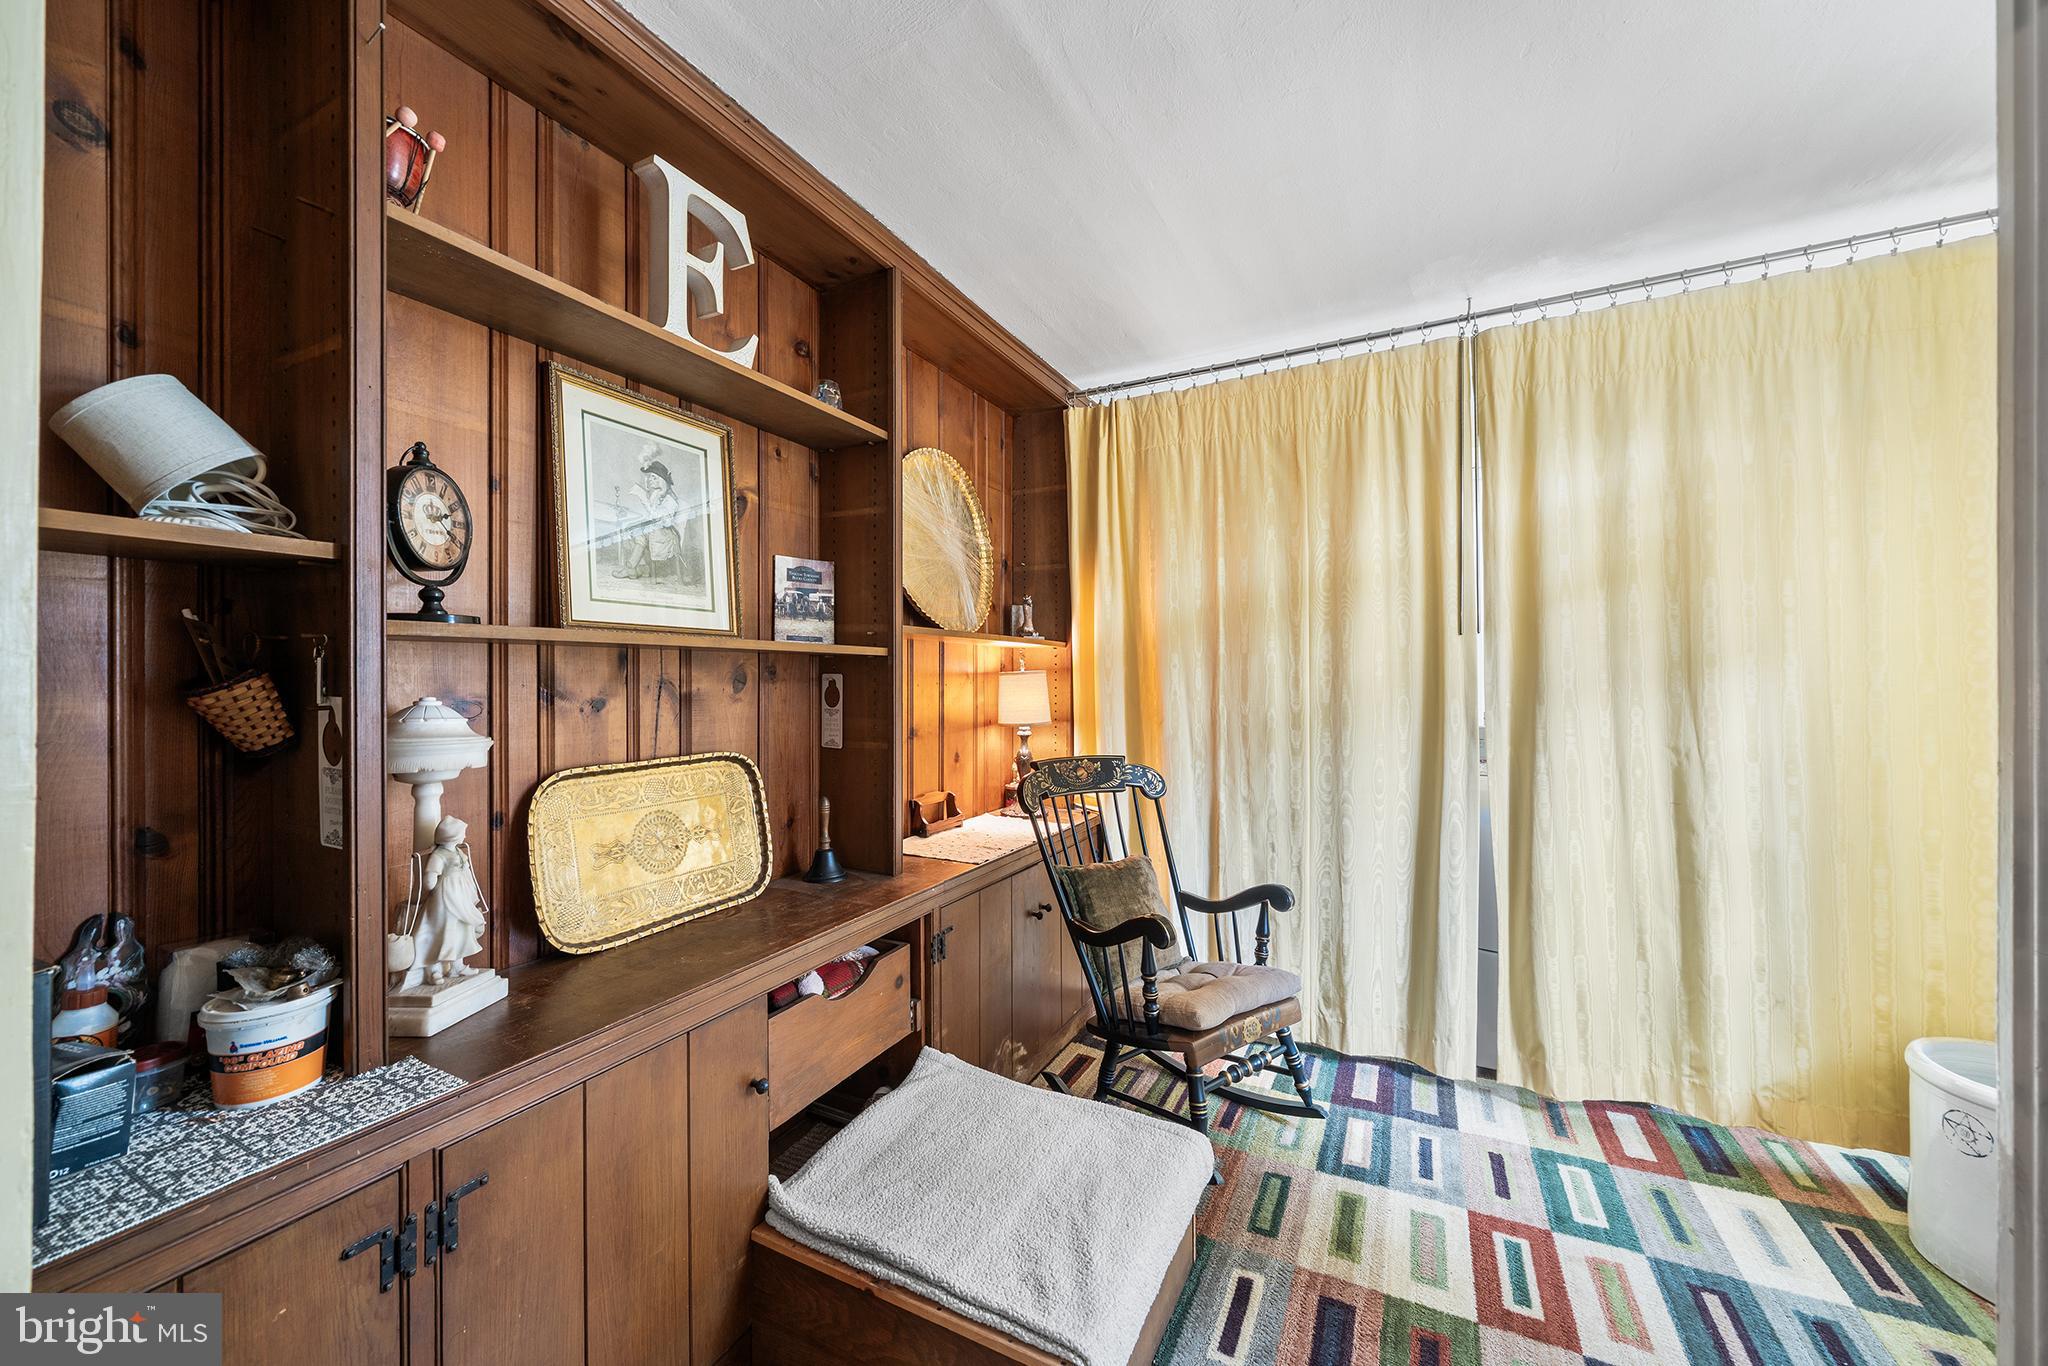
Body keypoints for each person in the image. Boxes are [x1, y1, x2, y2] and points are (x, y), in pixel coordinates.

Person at [614, 449, 684, 582]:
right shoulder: (657, 495)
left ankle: (631, 567)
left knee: (641, 534)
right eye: (649, 477)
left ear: (661, 480)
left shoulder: (670, 500)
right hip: (656, 531)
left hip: (667, 534)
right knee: (635, 530)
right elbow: (651, 517)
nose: (649, 480)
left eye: (653, 477)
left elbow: (661, 520)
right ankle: (633, 568)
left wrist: (643, 498)